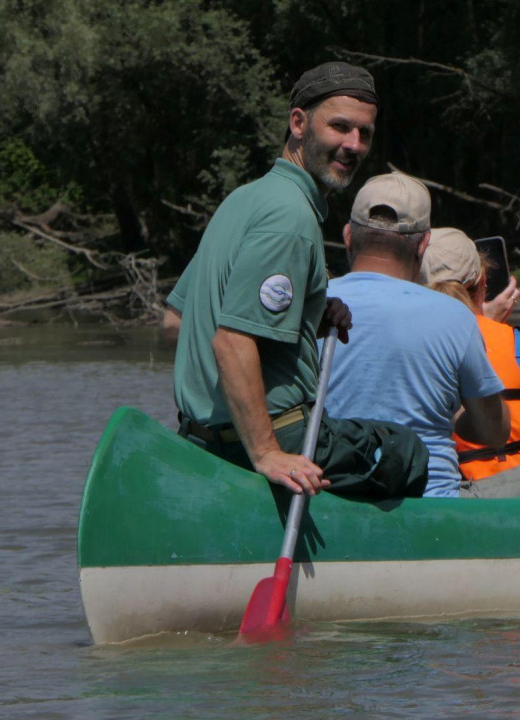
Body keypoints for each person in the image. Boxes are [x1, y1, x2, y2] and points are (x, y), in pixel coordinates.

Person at [165, 62, 428, 499]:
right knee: (406, 451)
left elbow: (176, 320)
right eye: (340, 127)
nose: (353, 145)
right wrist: (266, 453)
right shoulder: (290, 217)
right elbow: (231, 341)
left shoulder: (243, 199)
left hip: (200, 437)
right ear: (299, 123)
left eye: (365, 133)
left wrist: (304, 316)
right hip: (271, 440)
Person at [323, 174, 520, 498]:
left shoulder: (314, 305)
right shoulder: (455, 317)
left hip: (333, 500)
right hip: (432, 506)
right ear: (422, 244)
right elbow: (494, 432)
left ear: (348, 236)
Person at [420, 227, 520, 481]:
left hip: (446, 486)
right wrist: (488, 325)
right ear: (484, 283)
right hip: (519, 488)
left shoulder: (408, 341)